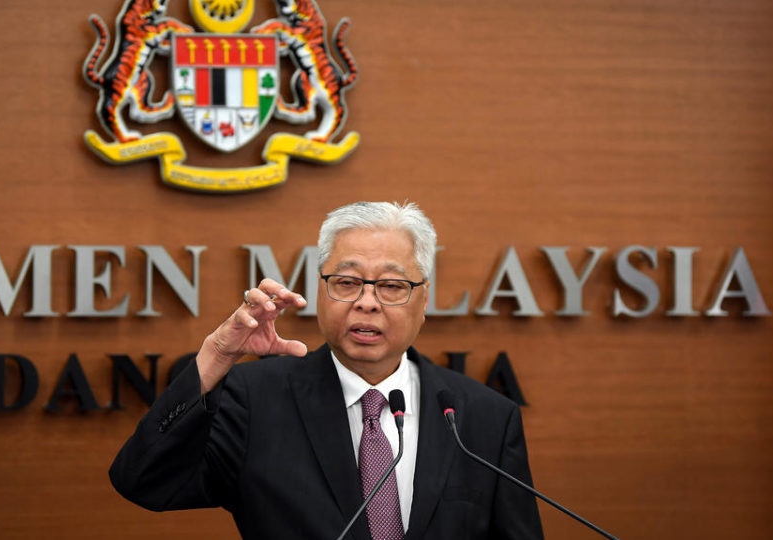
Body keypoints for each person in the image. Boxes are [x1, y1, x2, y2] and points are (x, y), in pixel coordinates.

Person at [110, 201, 544, 539]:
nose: (367, 302)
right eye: (347, 281)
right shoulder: (253, 399)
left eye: (393, 286)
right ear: (321, 291)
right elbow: (142, 482)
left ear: (424, 298)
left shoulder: (484, 417)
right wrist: (215, 358)